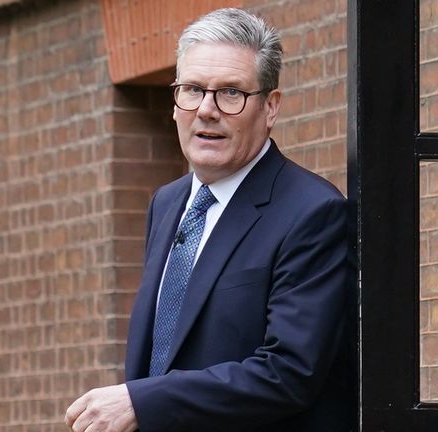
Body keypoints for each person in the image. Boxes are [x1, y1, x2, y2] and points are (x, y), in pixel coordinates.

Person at [65, 8, 354, 432]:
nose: (207, 109)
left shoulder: (313, 212)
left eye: (231, 93)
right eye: (193, 89)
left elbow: (290, 372)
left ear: (270, 107)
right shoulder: (167, 204)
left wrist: (142, 403)